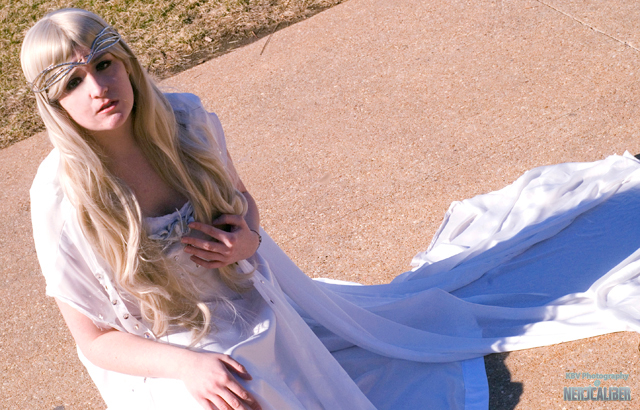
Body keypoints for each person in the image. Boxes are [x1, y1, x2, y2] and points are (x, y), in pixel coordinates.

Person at [24, 8, 640, 410]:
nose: (98, 88)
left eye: (104, 65)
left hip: (246, 300)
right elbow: (95, 341)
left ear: (127, 63)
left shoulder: (184, 121)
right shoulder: (61, 197)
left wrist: (247, 240)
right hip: (161, 350)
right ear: (54, 104)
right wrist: (187, 367)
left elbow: (243, 202)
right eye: (72, 83)